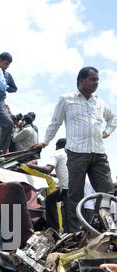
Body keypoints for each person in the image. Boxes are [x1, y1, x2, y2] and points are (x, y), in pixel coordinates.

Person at [33, 67, 117, 232]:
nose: (97, 83)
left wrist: (107, 131)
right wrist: (45, 142)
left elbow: (113, 118)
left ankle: (102, 225)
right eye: (93, 79)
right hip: (77, 153)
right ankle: (75, 232)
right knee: (74, 194)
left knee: (106, 191)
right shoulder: (66, 99)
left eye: (97, 80)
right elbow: (55, 122)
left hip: (99, 153)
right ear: (81, 81)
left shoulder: (99, 102)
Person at [28, 138, 68, 231]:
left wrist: (32, 166)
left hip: (66, 188)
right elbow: (62, 172)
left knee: (51, 201)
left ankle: (54, 228)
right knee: (53, 201)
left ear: (57, 146)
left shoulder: (57, 153)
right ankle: (57, 227)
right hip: (73, 187)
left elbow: (48, 169)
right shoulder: (69, 154)